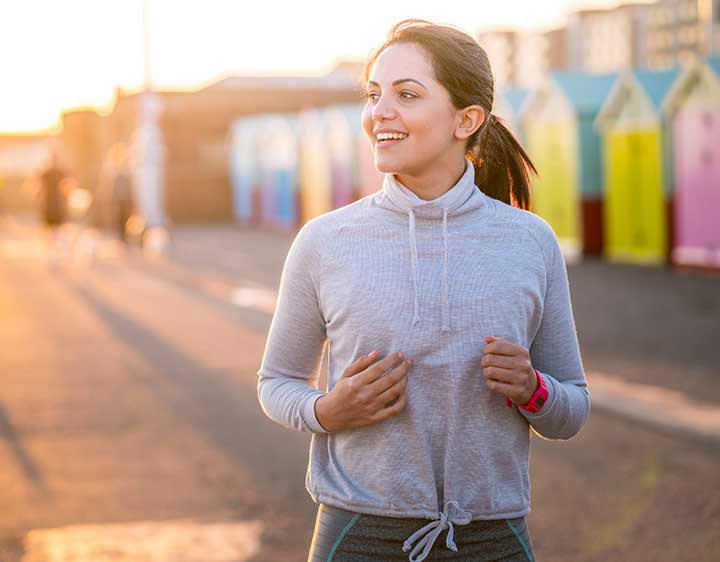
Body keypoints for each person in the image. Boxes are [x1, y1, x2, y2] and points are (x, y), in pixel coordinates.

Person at [257, 19, 590, 562]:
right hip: (356, 535)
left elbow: (572, 408)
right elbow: (276, 381)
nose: (379, 112)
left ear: (467, 119)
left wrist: (533, 388)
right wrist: (327, 411)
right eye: (373, 95)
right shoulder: (324, 241)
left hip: (492, 538)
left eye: (406, 94)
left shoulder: (529, 241)